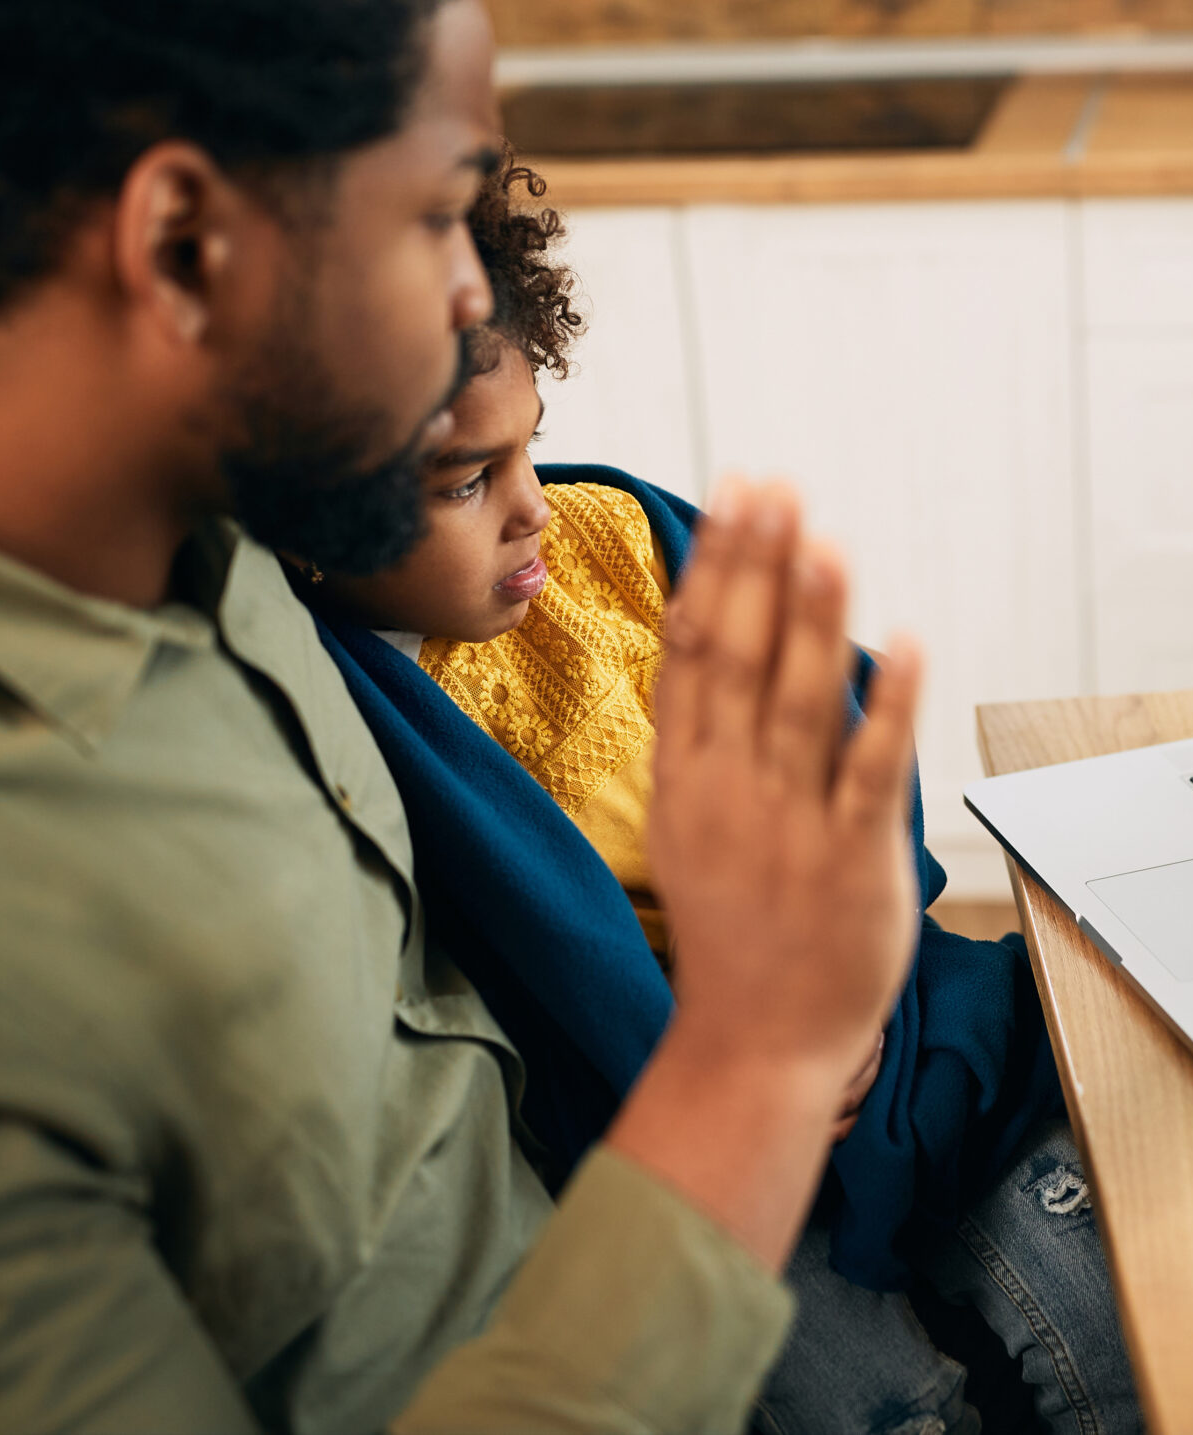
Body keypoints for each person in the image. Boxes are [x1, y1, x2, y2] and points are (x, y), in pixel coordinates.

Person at [0, 0, 925, 1429]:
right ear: (180, 249)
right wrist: (754, 1059)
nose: (473, 293)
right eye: (439, 217)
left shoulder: (177, 507)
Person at [296, 162, 1138, 1435]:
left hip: (889, 1030)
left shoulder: (616, 536)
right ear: (311, 520)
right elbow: (540, 1020)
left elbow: (842, 747)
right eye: (464, 483)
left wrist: (851, 982)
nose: (530, 504)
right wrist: (757, 1070)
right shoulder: (351, 712)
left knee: (1114, 1257)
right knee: (861, 1387)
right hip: (684, 1137)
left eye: (526, 440)